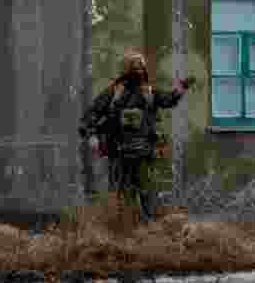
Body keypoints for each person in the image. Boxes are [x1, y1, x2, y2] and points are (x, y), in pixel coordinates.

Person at [78, 49, 193, 223]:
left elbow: (168, 99)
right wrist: (92, 135)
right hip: (120, 155)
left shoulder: (149, 92)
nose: (137, 70)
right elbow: (90, 116)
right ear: (126, 70)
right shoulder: (114, 93)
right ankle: (126, 232)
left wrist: (180, 89)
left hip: (144, 155)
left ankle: (148, 234)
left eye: (140, 67)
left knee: (148, 199)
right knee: (122, 199)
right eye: (134, 67)